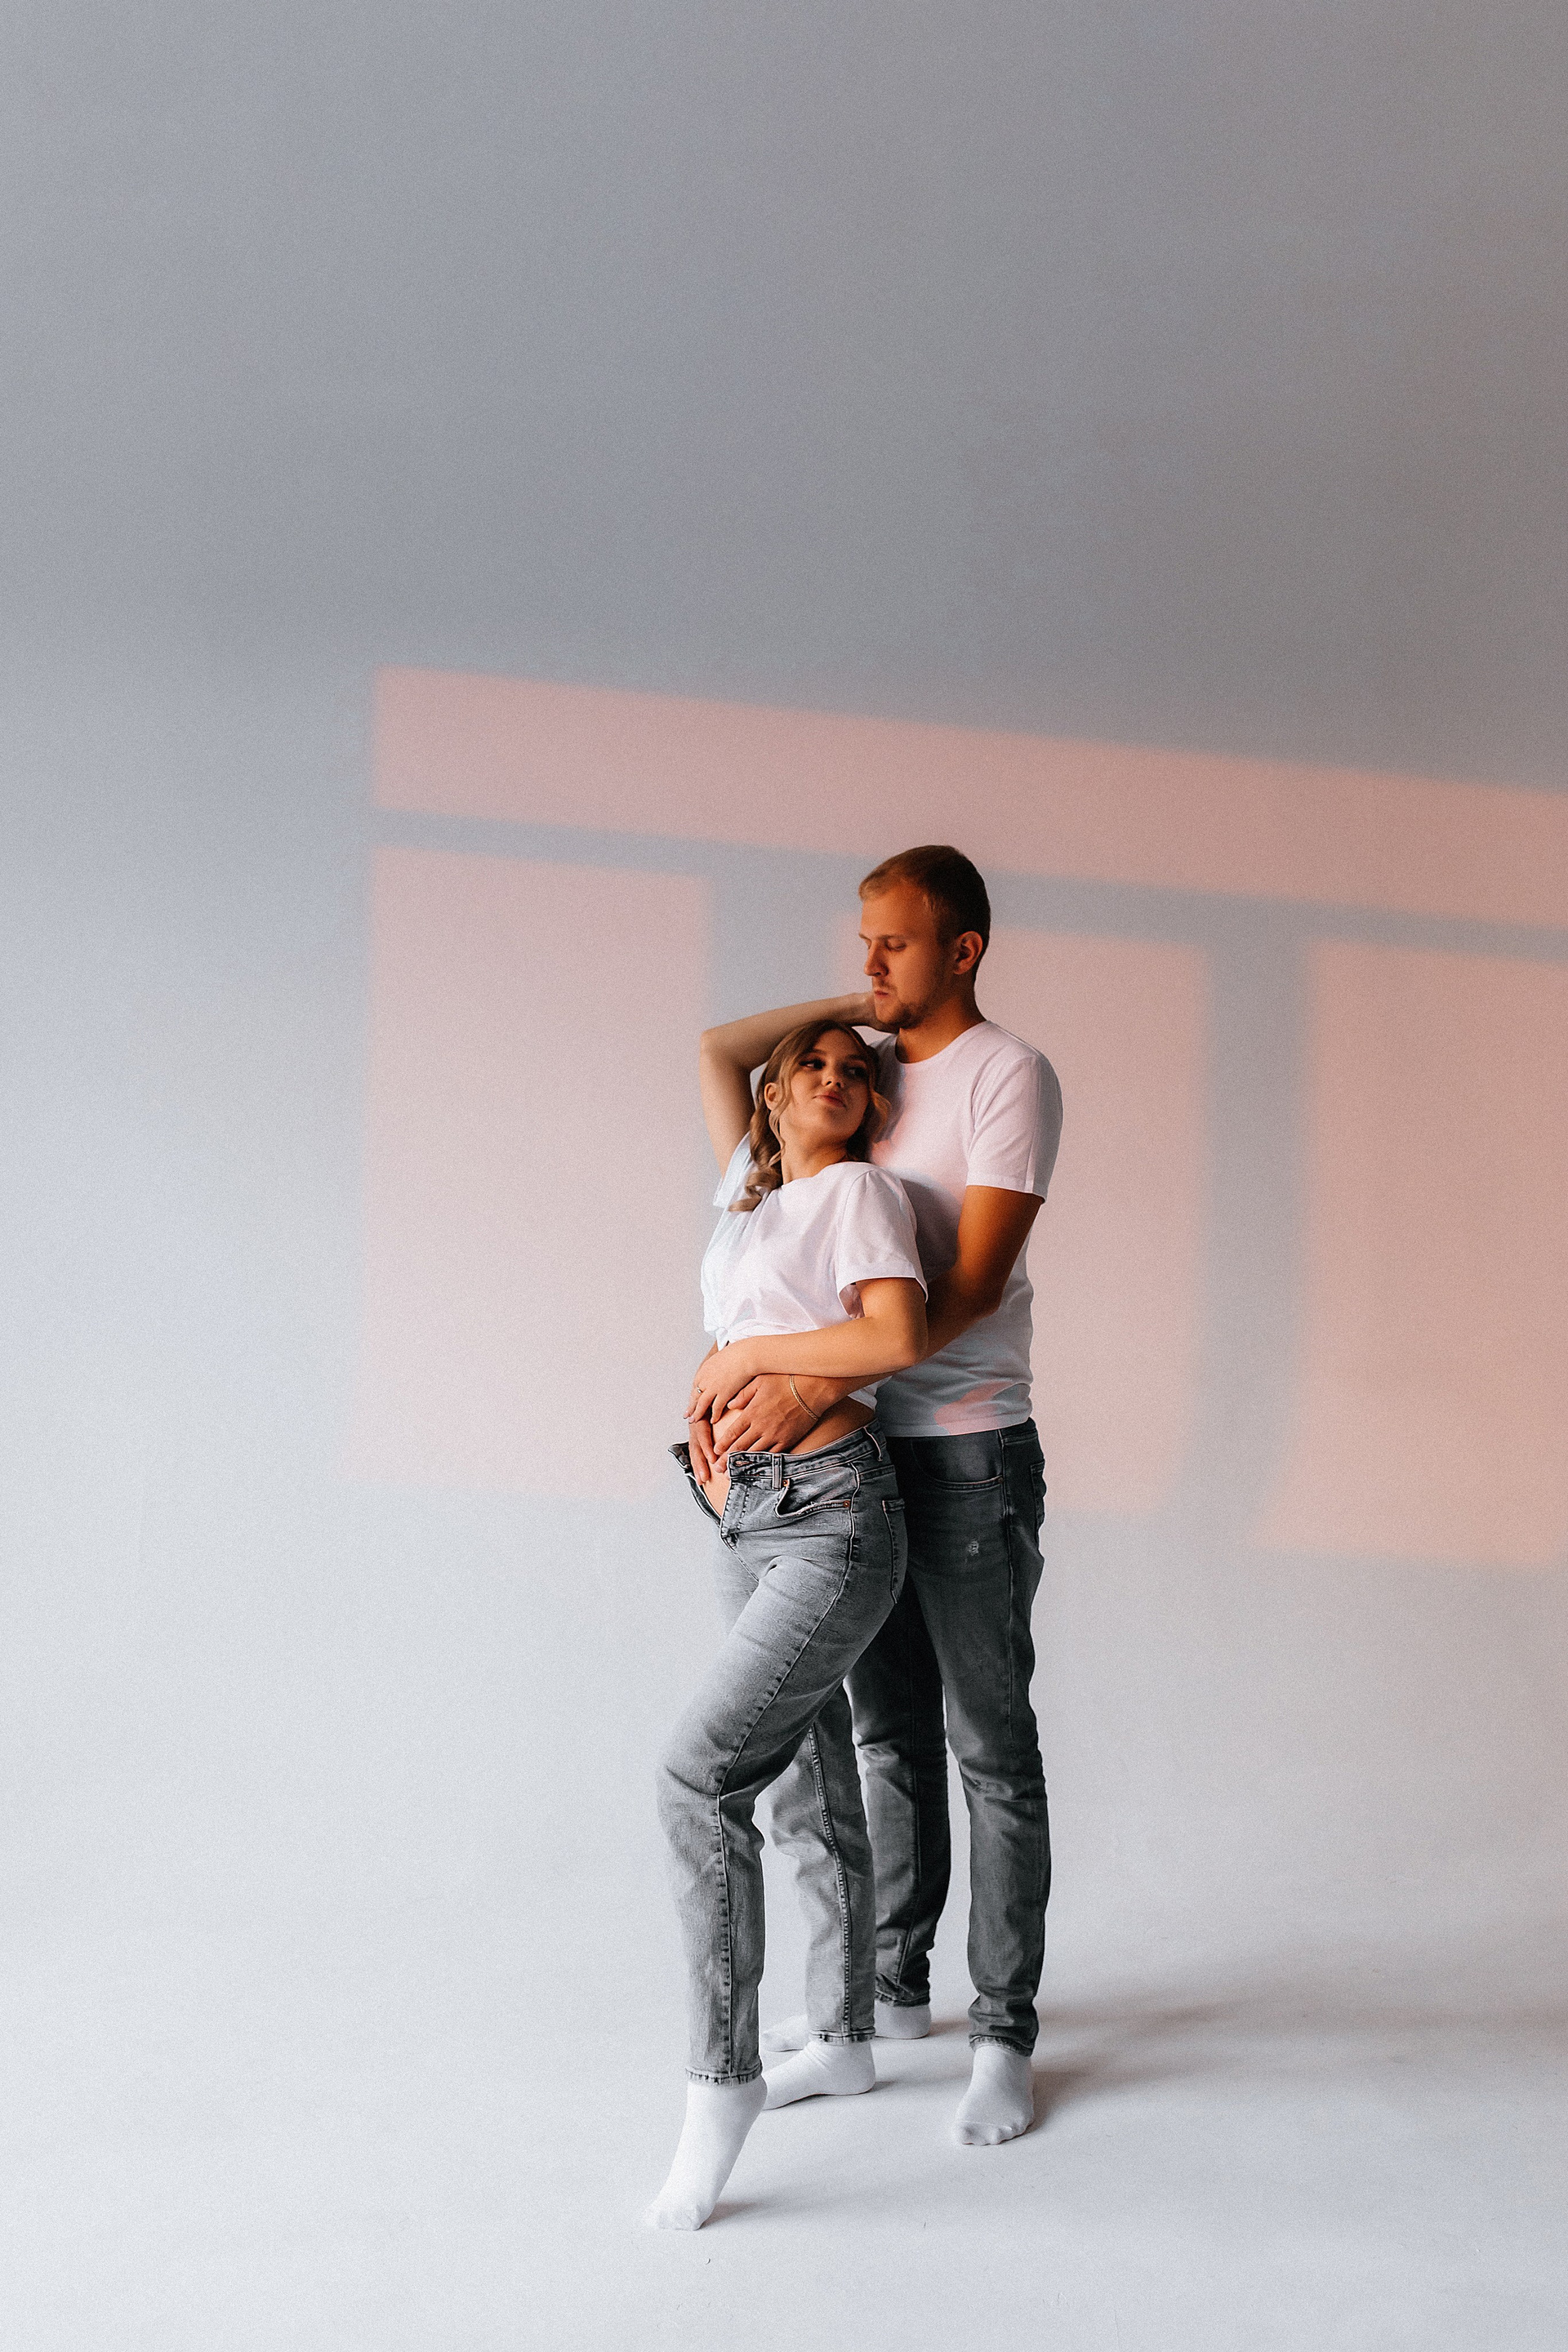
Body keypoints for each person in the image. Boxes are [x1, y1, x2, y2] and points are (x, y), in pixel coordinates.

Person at [688, 844, 1062, 2149]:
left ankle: (1003, 2033)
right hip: (860, 1464)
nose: (870, 964)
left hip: (965, 1446)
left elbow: (966, 1286)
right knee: (886, 1741)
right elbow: (737, 1063)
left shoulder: (1008, 1075)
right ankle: (894, 1991)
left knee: (989, 1748)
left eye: (893, 944)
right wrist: (856, 1012)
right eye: (863, 943)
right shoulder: (871, 1073)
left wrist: (793, 1379)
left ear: (964, 949)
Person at [648, 1018, 928, 2231]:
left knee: (698, 1776)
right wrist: (855, 1002)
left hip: (833, 1516)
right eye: (813, 1062)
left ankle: (723, 2087)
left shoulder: (859, 1193)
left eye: (858, 1071)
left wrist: (749, 1358)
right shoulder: (751, 1201)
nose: (835, 1076)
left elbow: (895, 1334)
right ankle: (846, 2037)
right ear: (774, 1097)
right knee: (805, 1781)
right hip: (747, 1515)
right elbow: (720, 1049)